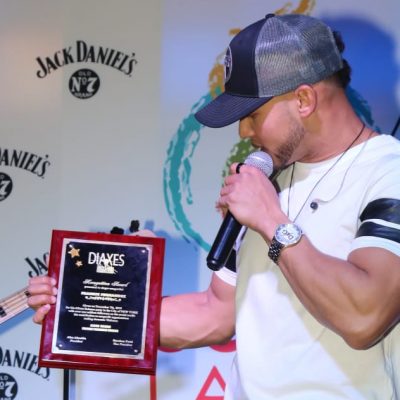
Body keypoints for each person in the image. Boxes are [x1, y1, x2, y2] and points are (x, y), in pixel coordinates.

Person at [28, 13, 400, 399]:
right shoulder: (268, 182)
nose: (243, 131)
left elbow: (364, 317)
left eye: (252, 115)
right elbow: (216, 312)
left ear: (304, 99)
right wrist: (83, 305)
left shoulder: (387, 171)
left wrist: (271, 221)